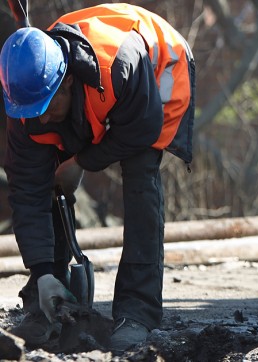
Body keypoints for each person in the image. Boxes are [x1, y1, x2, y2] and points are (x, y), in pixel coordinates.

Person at [0, 3, 195, 352]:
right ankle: (49, 295)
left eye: (46, 109)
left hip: (159, 73)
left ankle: (137, 310)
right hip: (100, 97)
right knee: (44, 181)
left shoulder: (118, 66)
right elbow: (27, 192)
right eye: (32, 113)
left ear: (68, 80)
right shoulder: (27, 99)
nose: (40, 121)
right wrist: (43, 271)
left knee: (140, 179)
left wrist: (81, 161)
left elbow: (143, 128)